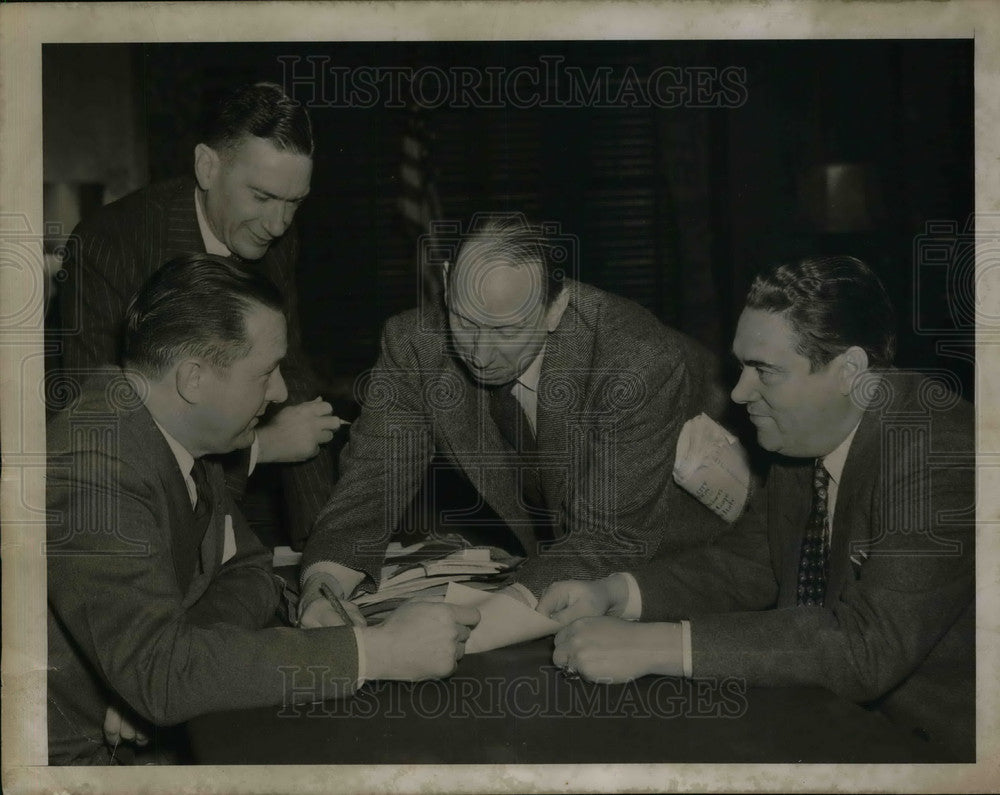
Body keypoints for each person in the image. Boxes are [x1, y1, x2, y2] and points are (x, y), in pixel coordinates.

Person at [46, 254, 479, 765]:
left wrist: (159, 665)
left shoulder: (175, 428)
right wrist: (378, 652)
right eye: (266, 371)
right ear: (194, 378)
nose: (279, 392)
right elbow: (164, 678)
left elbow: (251, 570)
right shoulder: (93, 470)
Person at [539, 256, 974, 761]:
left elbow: (865, 648)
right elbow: (751, 562)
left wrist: (655, 646)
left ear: (850, 371)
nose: (741, 392)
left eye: (764, 370)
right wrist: (617, 592)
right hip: (830, 723)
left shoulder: (939, 454)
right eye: (741, 365)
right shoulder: (805, 436)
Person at [298, 215, 729, 628]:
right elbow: (372, 486)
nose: (481, 356)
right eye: (465, 321)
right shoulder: (414, 346)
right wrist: (323, 587)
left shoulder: (636, 361)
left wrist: (480, 623)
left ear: (556, 308)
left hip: (696, 565)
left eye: (507, 332)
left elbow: (609, 539)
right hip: (568, 562)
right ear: (448, 281)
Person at [57, 81, 340, 548]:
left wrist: (326, 559)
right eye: (263, 198)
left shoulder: (275, 236)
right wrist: (257, 450)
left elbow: (289, 374)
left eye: (295, 203)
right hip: (139, 523)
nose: (279, 224)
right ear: (208, 167)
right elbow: (102, 435)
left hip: (240, 508)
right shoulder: (109, 247)